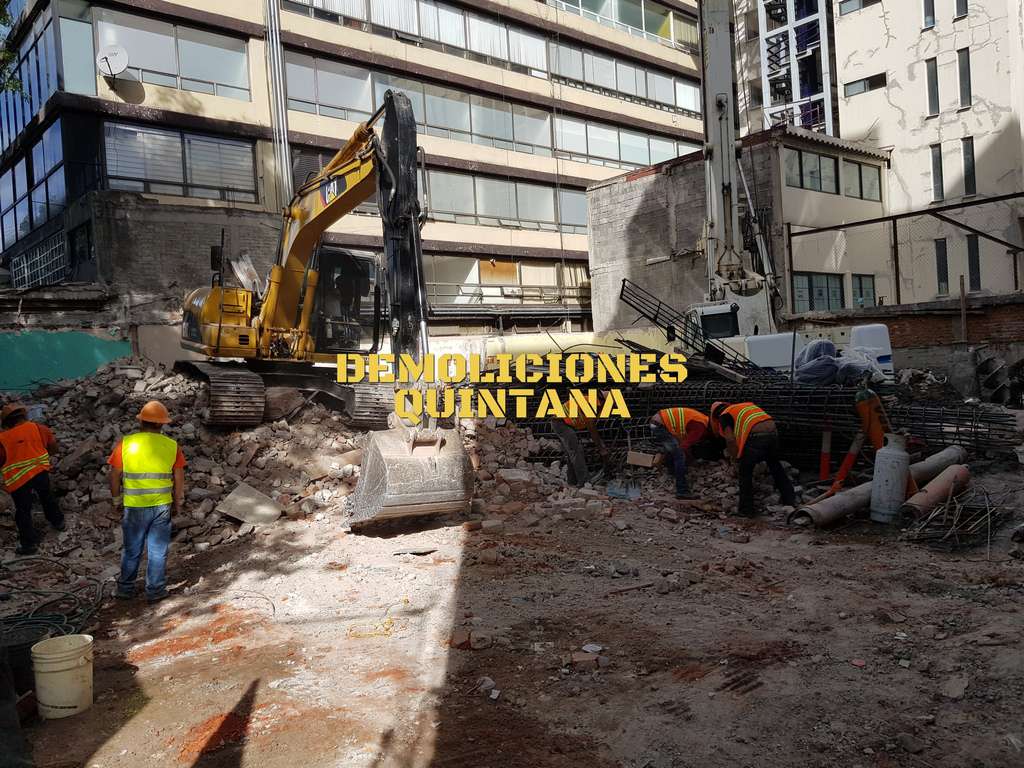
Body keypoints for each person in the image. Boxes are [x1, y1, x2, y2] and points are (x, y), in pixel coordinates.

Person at [108, 400, 186, 603]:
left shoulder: (125, 444)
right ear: (162, 424)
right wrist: (178, 502)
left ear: (141, 421)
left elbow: (115, 474)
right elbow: (178, 477)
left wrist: (116, 500)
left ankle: (125, 589)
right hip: (161, 505)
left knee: (132, 549)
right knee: (157, 551)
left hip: (134, 507)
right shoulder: (171, 446)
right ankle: (156, 590)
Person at [711, 401, 797, 517]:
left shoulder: (724, 416)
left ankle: (747, 510)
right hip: (772, 432)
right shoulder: (744, 407)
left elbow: (730, 440)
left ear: (716, 415)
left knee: (745, 473)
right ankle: (790, 499)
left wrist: (735, 459)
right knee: (775, 466)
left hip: (756, 436)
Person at [0, 402, 63, 556]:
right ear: (24, 415)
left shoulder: (2, 438)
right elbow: (53, 446)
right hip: (39, 471)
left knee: (23, 510)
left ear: (7, 422)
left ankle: (29, 545)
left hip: (18, 479)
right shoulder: (38, 428)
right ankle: (58, 522)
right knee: (47, 497)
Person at [649, 407, 712, 499]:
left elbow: (683, 442)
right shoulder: (700, 426)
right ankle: (682, 490)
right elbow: (684, 446)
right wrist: (688, 459)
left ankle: (672, 472)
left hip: (658, 422)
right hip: (661, 424)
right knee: (679, 455)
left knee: (673, 450)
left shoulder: (701, 419)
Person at [550, 392, 610, 487]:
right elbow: (592, 428)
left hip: (562, 423)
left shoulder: (590, 401)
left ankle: (572, 481)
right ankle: (584, 482)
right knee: (577, 452)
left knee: (572, 453)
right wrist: (601, 448)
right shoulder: (591, 403)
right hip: (560, 423)